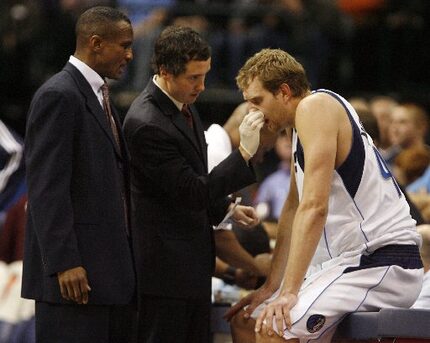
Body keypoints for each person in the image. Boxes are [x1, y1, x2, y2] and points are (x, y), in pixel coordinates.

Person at [225, 48, 423, 343]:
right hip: (348, 265)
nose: (253, 112)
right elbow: (292, 209)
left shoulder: (314, 107)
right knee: (246, 320)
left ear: (283, 91)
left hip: (380, 259)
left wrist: (290, 292)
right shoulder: (298, 131)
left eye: (257, 101)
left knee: (273, 327)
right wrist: (272, 286)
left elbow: (314, 207)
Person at [123, 26, 264, 343]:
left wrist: (227, 208)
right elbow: (191, 191)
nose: (201, 86)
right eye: (193, 78)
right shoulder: (146, 122)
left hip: (190, 270)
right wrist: (244, 153)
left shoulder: (182, 102)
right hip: (163, 276)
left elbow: (189, 178)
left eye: (205, 75)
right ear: (165, 72)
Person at [22, 7, 136, 343]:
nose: (130, 54)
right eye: (124, 46)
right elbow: (46, 189)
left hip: (106, 276)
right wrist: (64, 262)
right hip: (73, 279)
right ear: (96, 43)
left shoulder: (98, 95)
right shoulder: (59, 95)